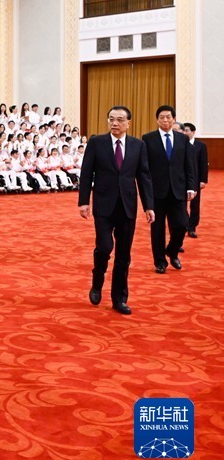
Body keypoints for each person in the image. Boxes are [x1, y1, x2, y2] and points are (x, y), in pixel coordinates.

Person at [78, 106, 154, 315]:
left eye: (120, 119)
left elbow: (144, 176)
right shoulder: (97, 143)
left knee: (123, 255)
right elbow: (87, 173)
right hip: (103, 204)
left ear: (128, 123)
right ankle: (97, 279)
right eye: (111, 119)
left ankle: (119, 299)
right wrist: (84, 201)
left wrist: (149, 206)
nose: (115, 123)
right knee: (104, 247)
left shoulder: (138, 145)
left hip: (127, 206)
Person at [141, 106, 196, 274]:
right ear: (157, 120)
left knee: (182, 225)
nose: (165, 120)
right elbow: (145, 168)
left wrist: (191, 186)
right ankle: (160, 262)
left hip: (178, 190)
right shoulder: (148, 139)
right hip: (156, 192)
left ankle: (172, 251)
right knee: (157, 229)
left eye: (168, 117)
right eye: (162, 117)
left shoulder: (182, 139)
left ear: (174, 119)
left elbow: (189, 165)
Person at [181, 123, 208, 238]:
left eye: (187, 130)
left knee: (195, 205)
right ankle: (185, 224)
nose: (185, 133)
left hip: (195, 179)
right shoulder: (180, 144)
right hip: (181, 179)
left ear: (193, 132)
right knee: (181, 204)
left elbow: (203, 164)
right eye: (183, 130)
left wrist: (203, 180)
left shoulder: (200, 145)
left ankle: (192, 227)